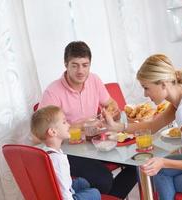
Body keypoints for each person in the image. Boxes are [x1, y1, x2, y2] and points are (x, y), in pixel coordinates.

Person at [104, 54, 182, 200]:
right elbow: (152, 126)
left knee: (165, 176)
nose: (145, 94)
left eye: (146, 88)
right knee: (161, 171)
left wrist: (163, 162)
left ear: (163, 83)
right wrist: (117, 126)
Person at [38, 41, 137, 198]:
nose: (81, 71)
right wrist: (79, 126)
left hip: (97, 142)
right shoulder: (52, 91)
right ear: (66, 64)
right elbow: (42, 131)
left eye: (85, 65)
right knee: (104, 181)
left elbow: (111, 103)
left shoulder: (94, 80)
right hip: (69, 150)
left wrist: (111, 111)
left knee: (137, 165)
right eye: (75, 65)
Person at [30, 105, 101, 200]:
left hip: (58, 191)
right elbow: (63, 193)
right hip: (64, 197)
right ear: (53, 132)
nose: (68, 125)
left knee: (82, 182)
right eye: (64, 122)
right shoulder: (58, 161)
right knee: (95, 193)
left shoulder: (45, 152)